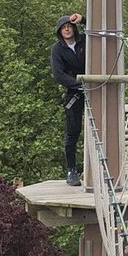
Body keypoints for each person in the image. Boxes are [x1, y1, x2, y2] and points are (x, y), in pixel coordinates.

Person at [50, 13, 85, 186]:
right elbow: (58, 74)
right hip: (75, 91)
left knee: (101, 128)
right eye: (64, 28)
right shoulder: (57, 49)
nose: (67, 30)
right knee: (73, 131)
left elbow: (99, 31)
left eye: (69, 27)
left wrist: (83, 19)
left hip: (96, 87)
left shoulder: (85, 41)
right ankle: (72, 170)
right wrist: (77, 83)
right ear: (60, 31)